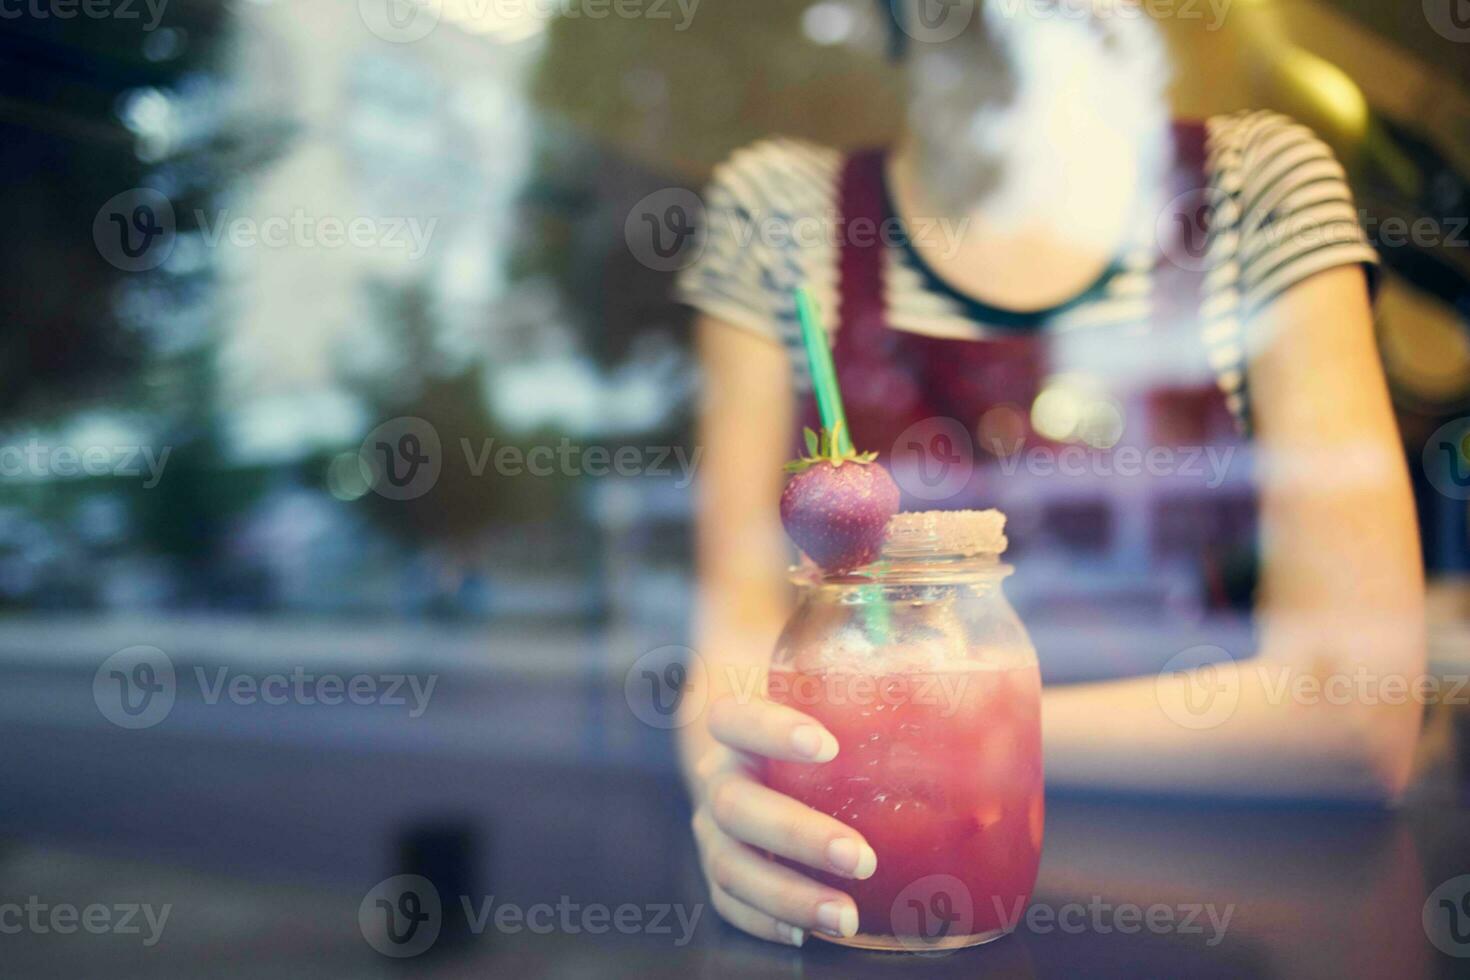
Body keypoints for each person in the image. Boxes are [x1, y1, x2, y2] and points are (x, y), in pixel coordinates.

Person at [673, 1, 1424, 947]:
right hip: (861, 871)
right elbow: (737, 655)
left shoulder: (1259, 185)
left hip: (1235, 909)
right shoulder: (780, 211)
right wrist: (734, 791)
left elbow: (1356, 715)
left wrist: (931, 744)